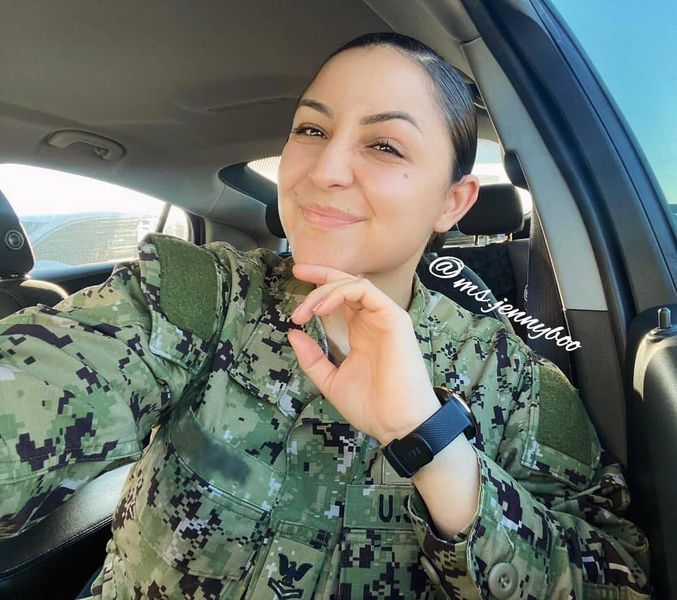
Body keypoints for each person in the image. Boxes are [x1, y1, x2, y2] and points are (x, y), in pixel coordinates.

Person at [0, 32, 651, 599]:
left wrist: (434, 447)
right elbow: (39, 387)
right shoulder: (200, 296)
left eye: (385, 146)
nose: (326, 168)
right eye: (310, 130)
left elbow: (614, 582)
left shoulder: (521, 386)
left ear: (452, 203)